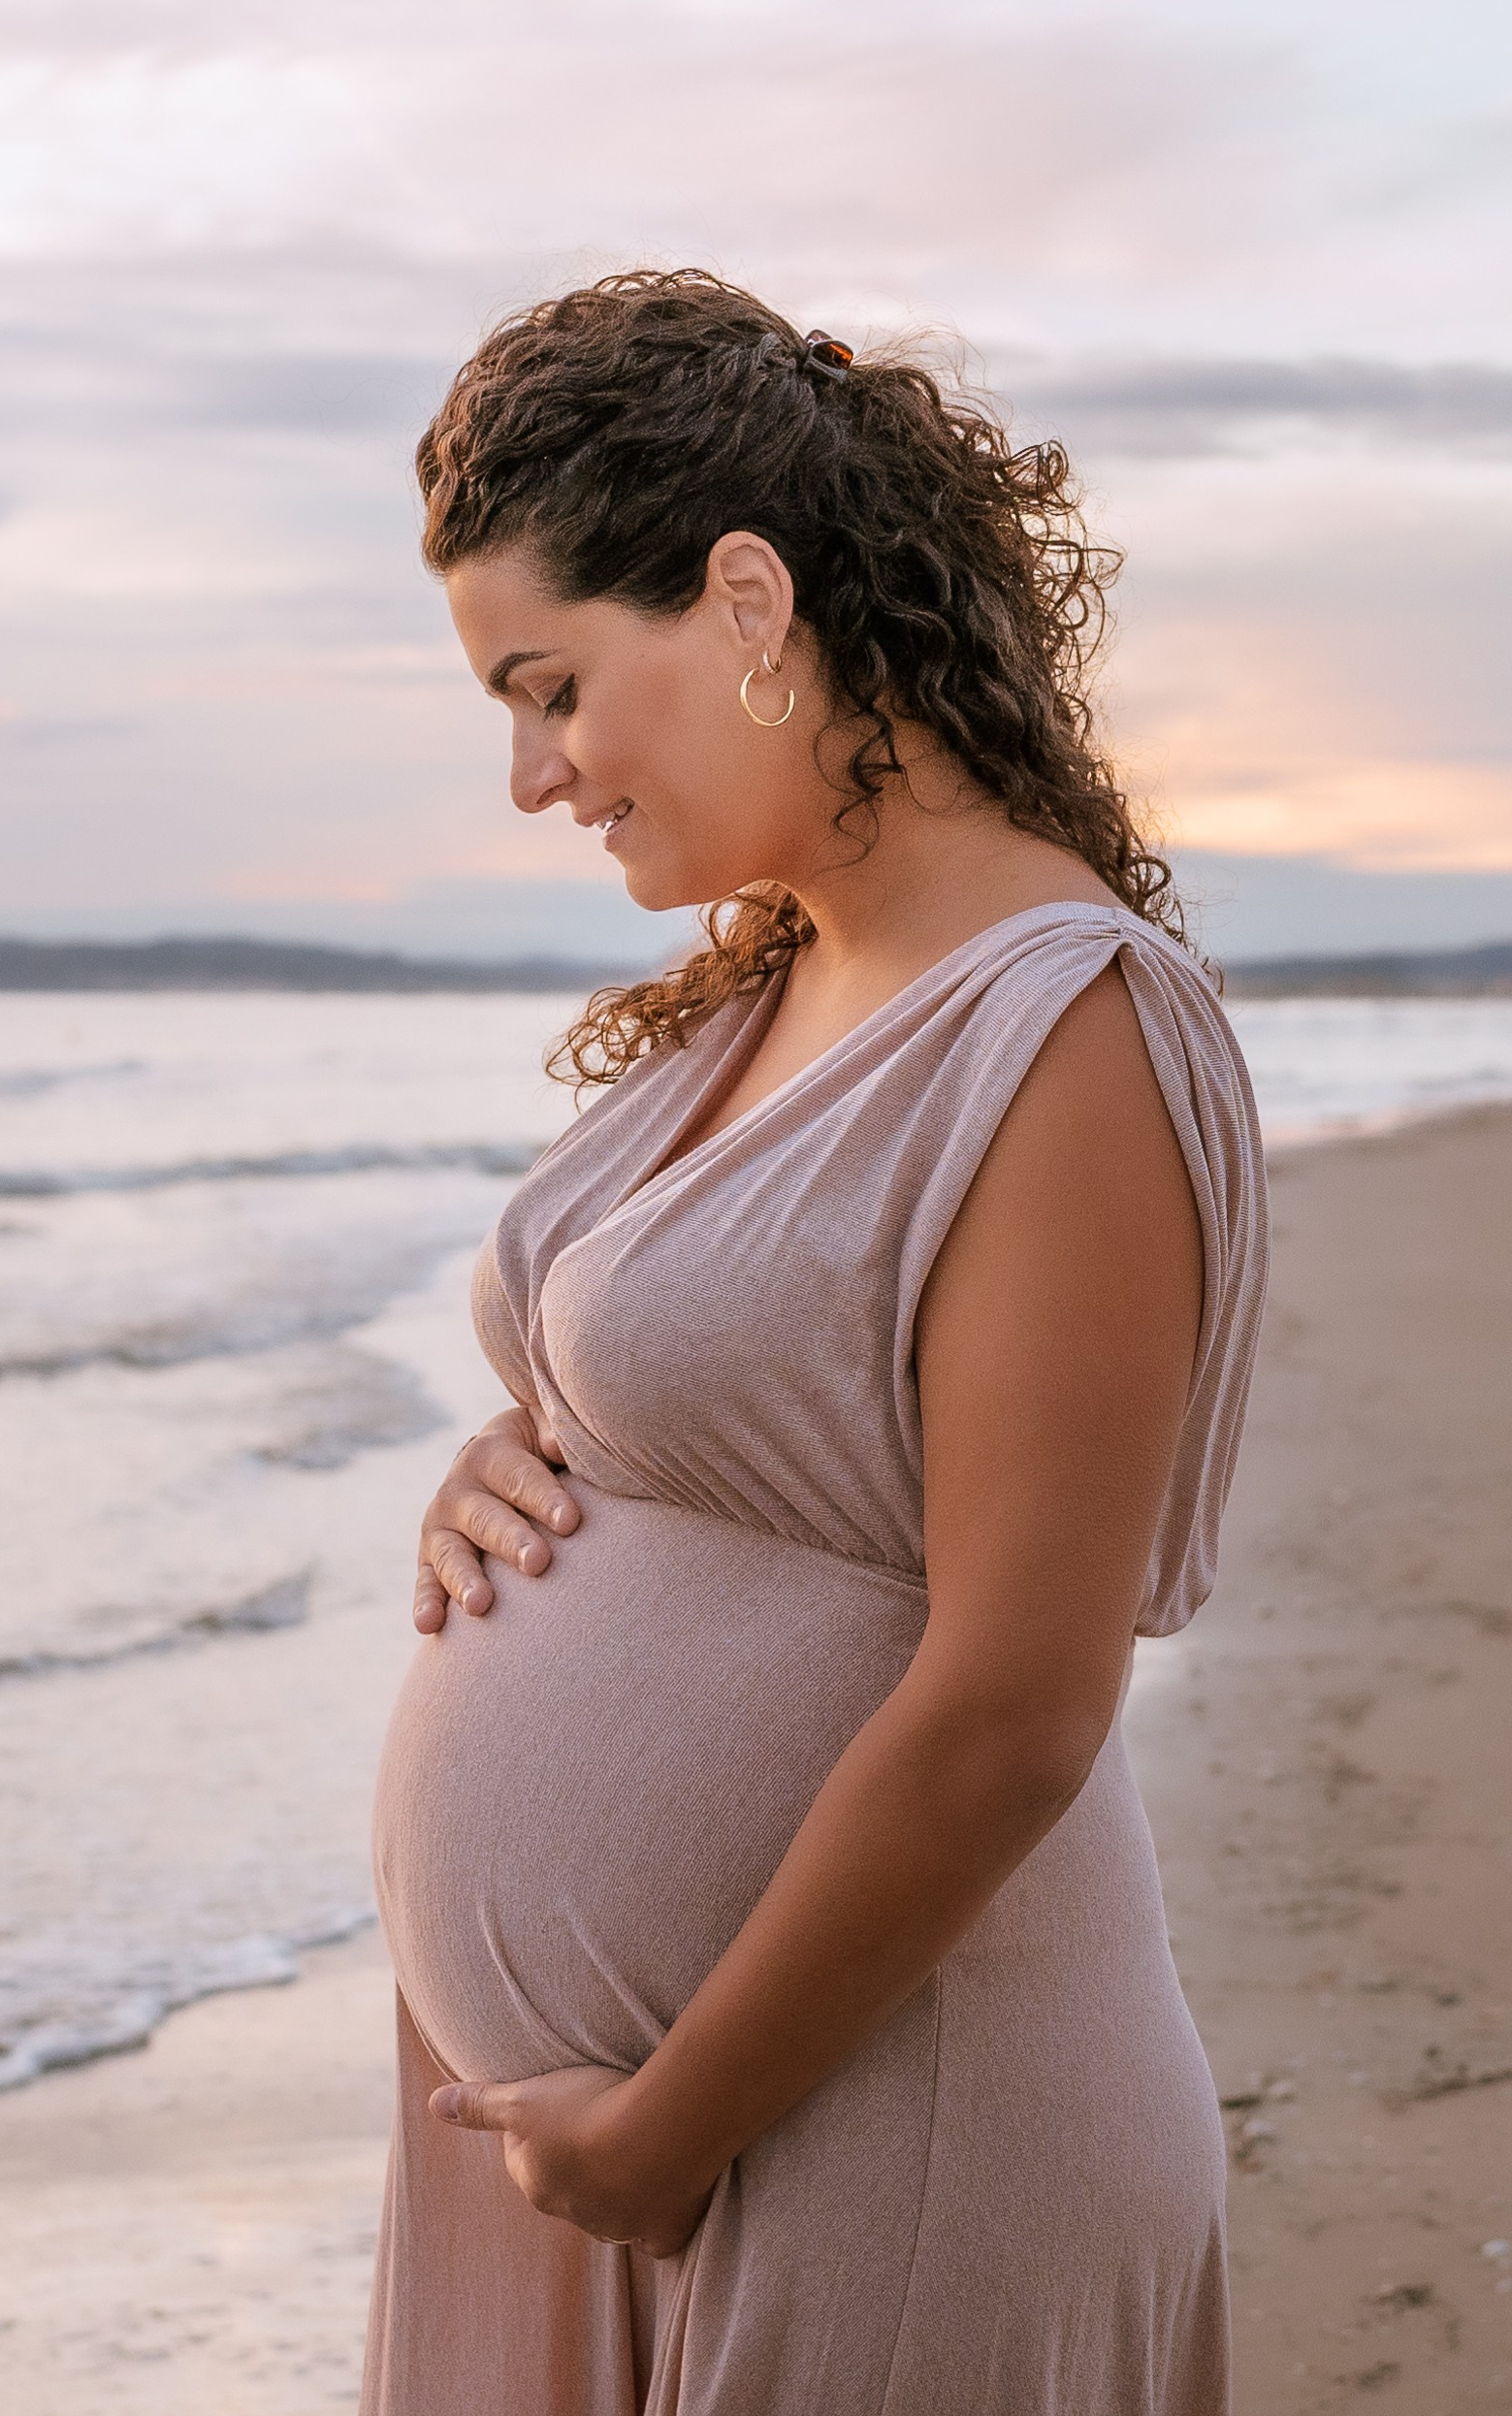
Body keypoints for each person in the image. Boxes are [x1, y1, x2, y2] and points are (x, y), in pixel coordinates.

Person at [363, 273, 1267, 2415]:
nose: (529, 775)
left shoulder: (1062, 1027)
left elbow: (1008, 1711)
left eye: (550, 685)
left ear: (747, 603)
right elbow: (760, 1403)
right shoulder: (786, 969)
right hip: (644, 2141)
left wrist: (671, 2121)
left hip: (871, 2127)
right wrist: (517, 1446)